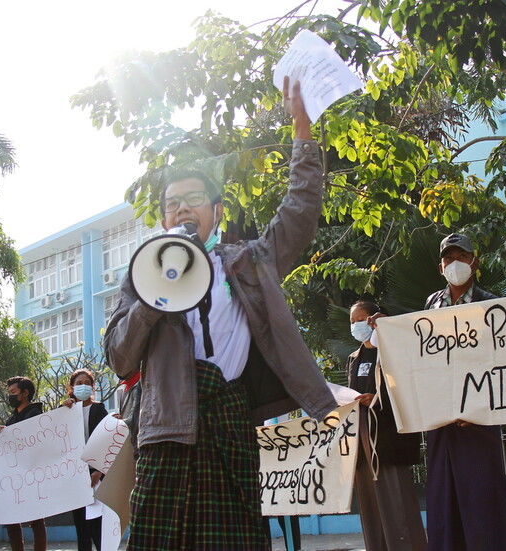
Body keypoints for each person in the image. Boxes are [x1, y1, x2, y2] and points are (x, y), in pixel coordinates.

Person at [103, 77, 336, 550]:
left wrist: (303, 131)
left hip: (229, 418)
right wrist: (153, 299)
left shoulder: (248, 261)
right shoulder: (143, 274)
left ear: (217, 210)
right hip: (165, 428)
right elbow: (119, 358)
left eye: (192, 201)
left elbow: (299, 211)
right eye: (171, 205)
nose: (181, 209)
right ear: (164, 219)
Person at [422, 233, 506, 551]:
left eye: (460, 257)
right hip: (440, 418)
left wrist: (478, 405)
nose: (454, 263)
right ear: (440, 267)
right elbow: (420, 356)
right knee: (443, 495)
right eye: (448, 258)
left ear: (474, 262)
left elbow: (501, 361)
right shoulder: (431, 304)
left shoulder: (489, 304)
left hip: (479, 417)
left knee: (483, 494)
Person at [347, 300, 427, 551]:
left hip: (389, 439)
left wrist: (377, 400)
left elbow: (406, 387)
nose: (357, 325)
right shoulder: (354, 358)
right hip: (362, 440)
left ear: (375, 319)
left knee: (397, 502)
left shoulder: (394, 351)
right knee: (371, 507)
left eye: (362, 319)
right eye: (352, 321)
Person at [61, 369, 108, 551]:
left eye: (87, 383)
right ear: (71, 387)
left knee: (96, 523)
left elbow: (107, 441)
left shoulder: (98, 409)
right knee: (81, 525)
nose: (83, 386)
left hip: (94, 473)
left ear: (93, 387)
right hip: (75, 474)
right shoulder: (65, 411)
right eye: (79, 383)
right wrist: (64, 409)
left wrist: (99, 471)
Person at [0, 376, 46, 551]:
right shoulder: (11, 420)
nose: (10, 396)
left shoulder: (35, 415)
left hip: (32, 472)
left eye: (13, 392)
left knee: (36, 519)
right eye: (9, 392)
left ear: (25, 393)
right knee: (12, 519)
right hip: (14, 475)